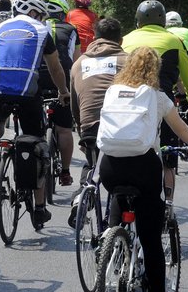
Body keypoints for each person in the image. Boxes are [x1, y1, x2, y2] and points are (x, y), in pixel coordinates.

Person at [98, 46, 188, 292]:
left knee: (118, 195)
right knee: (150, 241)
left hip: (110, 167)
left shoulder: (112, 91)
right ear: (155, 69)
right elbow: (180, 129)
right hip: (143, 167)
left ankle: (112, 242)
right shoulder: (156, 96)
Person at [0, 0, 71, 226]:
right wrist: (63, 91)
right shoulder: (42, 31)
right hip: (27, 92)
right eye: (41, 15)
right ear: (34, 13)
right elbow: (56, 68)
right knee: (37, 146)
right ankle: (40, 207)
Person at [122, 0, 188, 201]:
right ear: (163, 21)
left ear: (138, 21)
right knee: (167, 160)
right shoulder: (174, 41)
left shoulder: (126, 39)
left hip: (128, 104)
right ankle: (168, 204)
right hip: (162, 102)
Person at [68, 17, 128, 224]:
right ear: (120, 40)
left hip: (90, 126)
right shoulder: (128, 61)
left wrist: (82, 130)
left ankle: (81, 198)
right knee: (124, 169)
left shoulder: (79, 64)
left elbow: (75, 105)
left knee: (92, 164)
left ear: (95, 38)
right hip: (121, 125)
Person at [40, 0, 80, 187]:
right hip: (62, 77)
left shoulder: (38, 28)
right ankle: (65, 172)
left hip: (38, 78)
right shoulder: (71, 30)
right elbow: (76, 59)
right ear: (64, 14)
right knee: (64, 129)